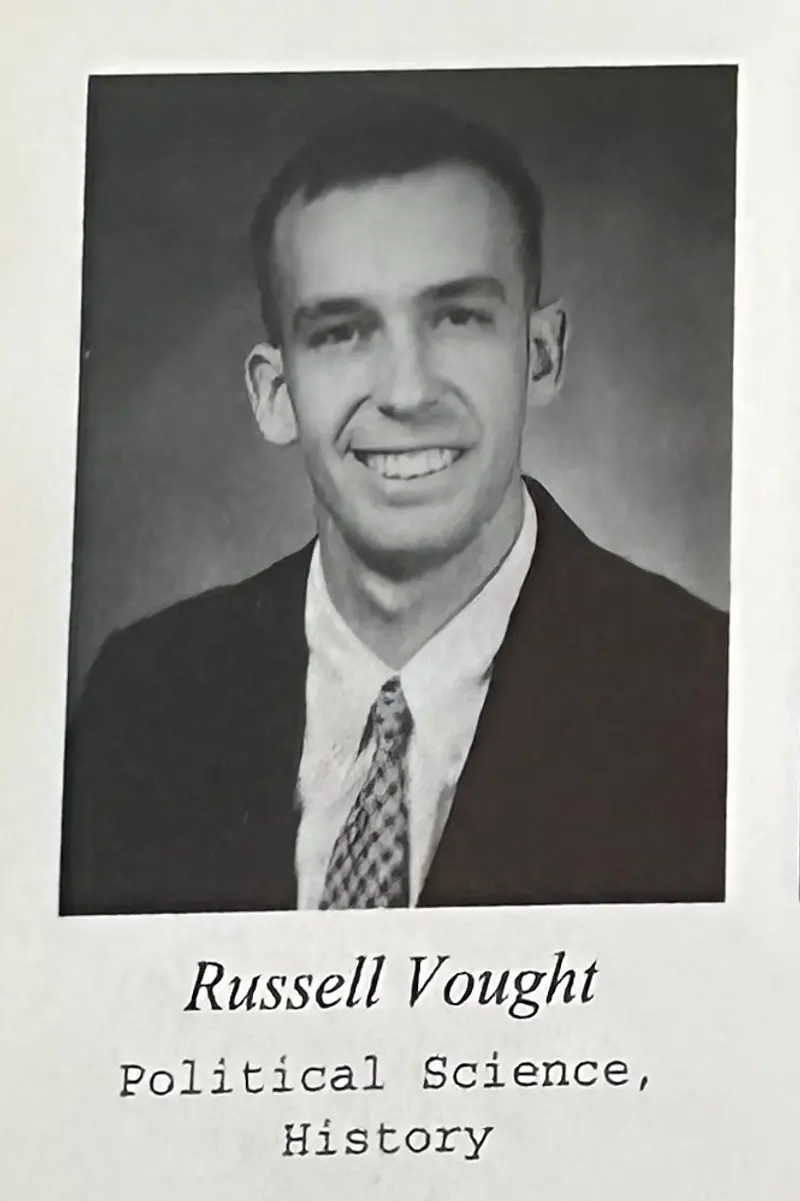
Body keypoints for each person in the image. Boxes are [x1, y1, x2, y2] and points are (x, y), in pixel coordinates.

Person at [60, 96, 728, 915]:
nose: (407, 392)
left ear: (541, 355)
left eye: (458, 317)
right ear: (277, 394)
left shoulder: (714, 698)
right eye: (342, 331)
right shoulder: (143, 696)